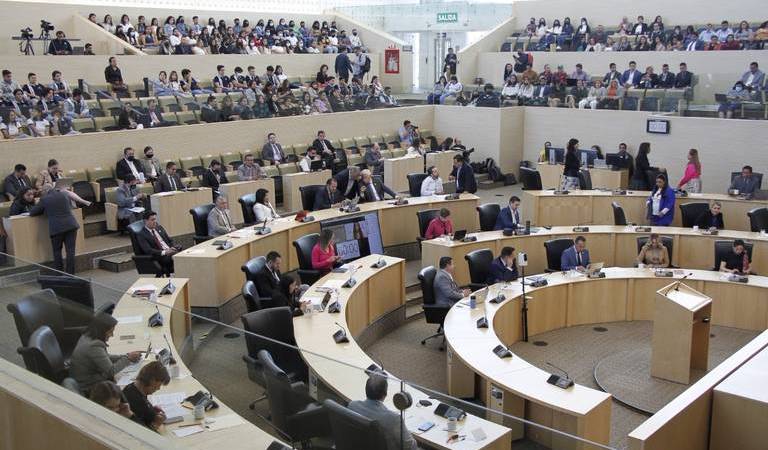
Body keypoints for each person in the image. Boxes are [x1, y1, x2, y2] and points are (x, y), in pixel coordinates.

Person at [70, 312, 142, 393]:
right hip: (88, 385)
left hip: (81, 378)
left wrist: (125, 356)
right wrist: (128, 359)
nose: (112, 335)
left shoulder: (87, 336)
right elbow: (111, 371)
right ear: (102, 331)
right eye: (110, 332)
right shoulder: (94, 346)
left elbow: (105, 357)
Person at [348, 371, 418, 450]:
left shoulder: (352, 406)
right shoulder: (394, 419)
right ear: (385, 394)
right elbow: (410, 447)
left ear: (366, 390)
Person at [122, 361, 170, 431]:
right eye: (158, 385)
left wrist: (151, 408)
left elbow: (144, 406)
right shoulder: (136, 401)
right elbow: (140, 431)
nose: (158, 388)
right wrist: (156, 424)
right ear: (152, 381)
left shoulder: (132, 387)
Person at [135, 211, 180, 276]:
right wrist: (165, 252)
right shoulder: (141, 234)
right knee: (180, 259)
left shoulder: (159, 228)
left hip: (170, 251)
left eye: (155, 219)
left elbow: (169, 240)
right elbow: (148, 250)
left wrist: (173, 247)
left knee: (183, 252)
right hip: (160, 257)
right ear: (145, 221)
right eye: (152, 220)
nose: (155, 222)